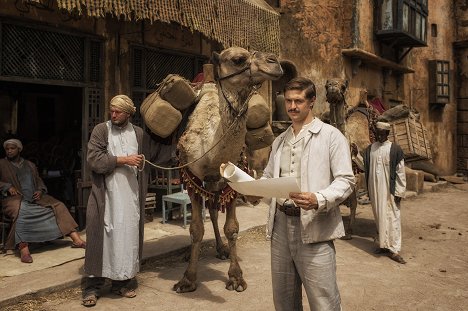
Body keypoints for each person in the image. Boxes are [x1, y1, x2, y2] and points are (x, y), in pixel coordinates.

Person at [262, 77, 355, 310]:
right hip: (280, 226)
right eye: (289, 101)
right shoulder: (279, 141)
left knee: (323, 300)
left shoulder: (331, 136)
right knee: (283, 300)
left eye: (299, 101)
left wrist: (318, 199)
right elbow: (268, 179)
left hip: (315, 225)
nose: (292, 107)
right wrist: (251, 190)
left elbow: (347, 180)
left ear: (312, 102)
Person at [82, 95, 170, 307]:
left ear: (129, 114)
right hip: (106, 197)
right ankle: (92, 288)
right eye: (111, 111)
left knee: (126, 238)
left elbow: (154, 156)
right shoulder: (101, 130)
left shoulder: (138, 134)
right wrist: (123, 160)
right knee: (99, 237)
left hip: (130, 197)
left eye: (118, 112)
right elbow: (94, 159)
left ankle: (120, 283)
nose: (113, 115)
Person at [0, 139, 86, 264]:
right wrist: (7, 186)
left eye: (12, 148)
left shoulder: (30, 165)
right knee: (22, 210)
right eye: (7, 149)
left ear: (19, 149)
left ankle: (77, 239)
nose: (9, 151)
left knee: (59, 206)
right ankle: (24, 249)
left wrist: (40, 190)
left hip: (35, 199)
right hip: (13, 200)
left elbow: (39, 181)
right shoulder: (2, 164)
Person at [363, 121, 407, 264]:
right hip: (375, 189)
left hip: (390, 191)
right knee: (379, 217)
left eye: (382, 134)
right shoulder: (370, 149)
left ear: (387, 134)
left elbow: (400, 172)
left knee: (392, 217)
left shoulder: (395, 150)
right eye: (377, 134)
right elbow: (366, 168)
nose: (379, 136)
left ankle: (394, 250)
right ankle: (383, 245)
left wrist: (399, 191)